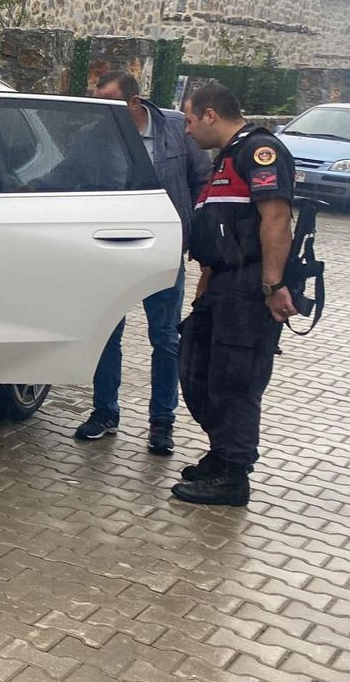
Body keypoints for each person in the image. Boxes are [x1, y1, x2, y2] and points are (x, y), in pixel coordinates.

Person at [73, 71, 212, 455]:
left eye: (109, 104)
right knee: (106, 333)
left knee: (165, 338)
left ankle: (162, 423)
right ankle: (105, 412)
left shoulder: (174, 129)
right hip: (110, 250)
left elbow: (204, 180)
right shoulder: (92, 137)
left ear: (134, 102)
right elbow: (67, 176)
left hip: (163, 250)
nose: (101, 112)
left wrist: (191, 230)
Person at [173, 82, 296, 506]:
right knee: (196, 366)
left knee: (235, 381)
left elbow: (276, 217)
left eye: (190, 119)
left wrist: (273, 284)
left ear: (210, 115)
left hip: (249, 287)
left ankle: (233, 474)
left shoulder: (260, 151)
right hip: (221, 285)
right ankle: (222, 453)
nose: (187, 129)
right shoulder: (226, 156)